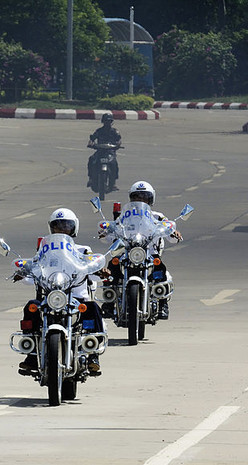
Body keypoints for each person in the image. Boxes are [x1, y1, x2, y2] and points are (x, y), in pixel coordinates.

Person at [16, 208, 105, 376]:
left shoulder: (83, 250)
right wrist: (23, 273)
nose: (62, 228)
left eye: (66, 225)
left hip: (77, 299)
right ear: (52, 228)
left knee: (92, 308)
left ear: (74, 228)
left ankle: (93, 355)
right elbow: (34, 269)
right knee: (31, 307)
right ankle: (32, 354)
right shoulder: (44, 251)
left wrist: (101, 271)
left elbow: (93, 267)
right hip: (51, 297)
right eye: (58, 225)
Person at [127, 180, 182, 319]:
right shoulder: (126, 216)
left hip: (150, 253)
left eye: (144, 197)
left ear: (151, 199)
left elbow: (169, 230)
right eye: (137, 197)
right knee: (113, 265)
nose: (141, 200)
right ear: (131, 199)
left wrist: (173, 232)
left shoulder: (157, 216)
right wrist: (107, 231)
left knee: (160, 269)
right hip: (130, 253)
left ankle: (163, 304)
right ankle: (110, 300)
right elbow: (113, 230)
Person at [87, 113, 121, 191]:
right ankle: (91, 178)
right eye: (106, 121)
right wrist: (91, 143)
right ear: (103, 121)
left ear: (112, 122)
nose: (107, 123)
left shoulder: (115, 131)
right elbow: (92, 138)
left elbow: (119, 140)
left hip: (110, 152)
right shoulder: (99, 131)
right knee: (91, 159)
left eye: (109, 121)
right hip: (100, 151)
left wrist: (118, 145)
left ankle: (113, 183)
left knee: (114, 163)